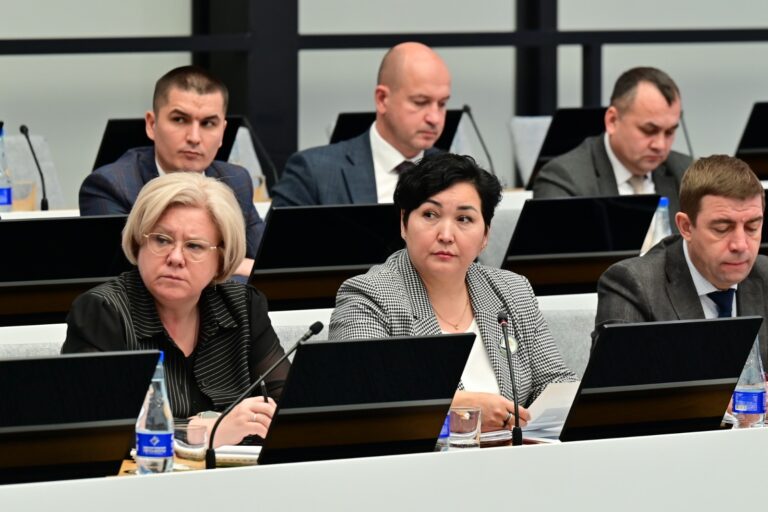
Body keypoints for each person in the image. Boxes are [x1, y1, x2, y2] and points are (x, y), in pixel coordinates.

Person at [329, 153, 577, 431]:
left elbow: (554, 382)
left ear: (485, 236)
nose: (446, 235)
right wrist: (459, 411)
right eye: (430, 215)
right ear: (404, 223)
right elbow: (363, 396)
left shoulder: (511, 290)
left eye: (464, 219)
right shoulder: (368, 296)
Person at [63, 172, 287, 447]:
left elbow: (285, 406)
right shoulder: (103, 311)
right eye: (161, 240)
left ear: (220, 258)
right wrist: (203, 432)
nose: (176, 258)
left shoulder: (243, 306)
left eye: (194, 246)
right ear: (138, 242)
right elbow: (93, 426)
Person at [79, 65, 263, 276]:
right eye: (180, 119)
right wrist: (233, 265)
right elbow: (128, 275)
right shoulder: (111, 186)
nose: (194, 137)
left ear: (222, 132)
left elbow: (267, 262)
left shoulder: (236, 181)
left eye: (208, 123)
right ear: (152, 124)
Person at [594, 155, 768, 365]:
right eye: (722, 228)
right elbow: (617, 375)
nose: (740, 245)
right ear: (686, 227)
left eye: (752, 227)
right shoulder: (633, 285)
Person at [270, 41, 451, 206]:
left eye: (442, 104)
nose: (434, 118)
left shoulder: (454, 173)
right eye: (420, 102)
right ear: (382, 99)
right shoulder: (314, 172)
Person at [533, 66, 692, 220]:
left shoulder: (687, 173)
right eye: (649, 130)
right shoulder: (565, 179)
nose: (660, 145)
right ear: (612, 120)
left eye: (670, 132)